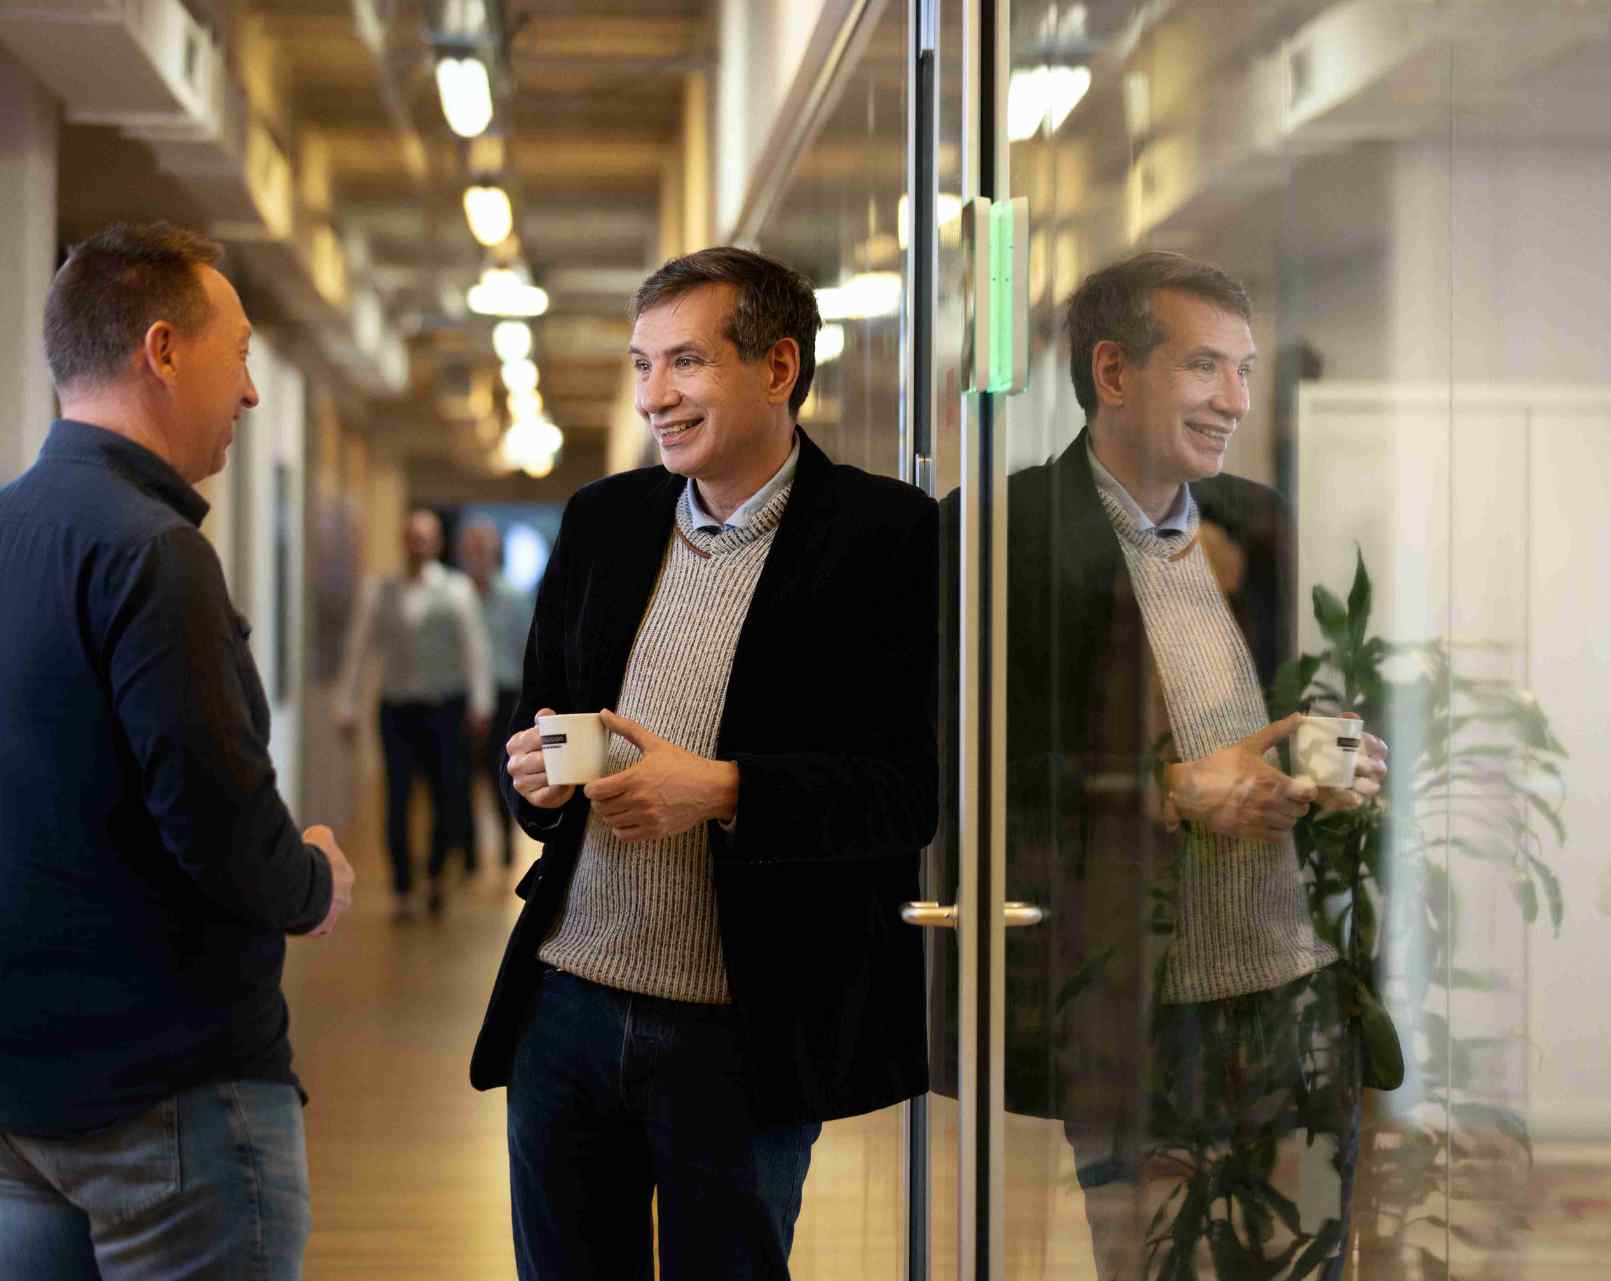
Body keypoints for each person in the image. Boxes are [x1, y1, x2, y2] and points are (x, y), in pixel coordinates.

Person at [469, 247, 938, 1280]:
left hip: (742, 1031)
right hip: (568, 1005)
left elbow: (910, 792)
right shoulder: (602, 521)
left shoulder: (887, 538)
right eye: (642, 366)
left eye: (684, 363)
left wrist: (723, 790)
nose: (655, 398)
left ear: (777, 369)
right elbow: (544, 720)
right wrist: (542, 782)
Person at [947, 251, 1386, 1280]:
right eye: (1205, 368)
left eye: (1243, 370)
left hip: (1292, 991)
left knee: (1306, 1264)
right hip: (1133, 1003)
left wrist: (1335, 760)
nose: (1235, 400)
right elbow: (960, 769)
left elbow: (1295, 698)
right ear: (1112, 372)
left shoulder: (1260, 524)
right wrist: (1168, 790)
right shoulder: (999, 531)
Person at [0, 221, 355, 1280]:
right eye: (239, 355)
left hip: (23, 1095)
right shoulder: (155, 552)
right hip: (171, 1102)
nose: (249, 392)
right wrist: (312, 884)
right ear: (162, 351)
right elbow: (213, 816)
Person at [335, 508, 493, 917]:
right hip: (396, 708)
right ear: (403, 541)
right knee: (398, 796)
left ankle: (437, 874)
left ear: (438, 543)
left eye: (427, 537)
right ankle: (402, 885)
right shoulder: (379, 590)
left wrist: (481, 704)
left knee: (447, 793)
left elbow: (474, 649)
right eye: (412, 536)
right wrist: (347, 703)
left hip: (445, 707)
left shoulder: (457, 590)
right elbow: (359, 649)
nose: (419, 543)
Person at [457, 516, 536, 873]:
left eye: (484, 549)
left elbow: (529, 651)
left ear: (495, 552)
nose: (478, 555)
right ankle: (468, 852)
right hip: (461, 695)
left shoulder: (515, 598)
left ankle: (506, 844)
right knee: (459, 775)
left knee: (499, 772)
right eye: (472, 549)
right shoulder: (454, 596)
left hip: (506, 695)